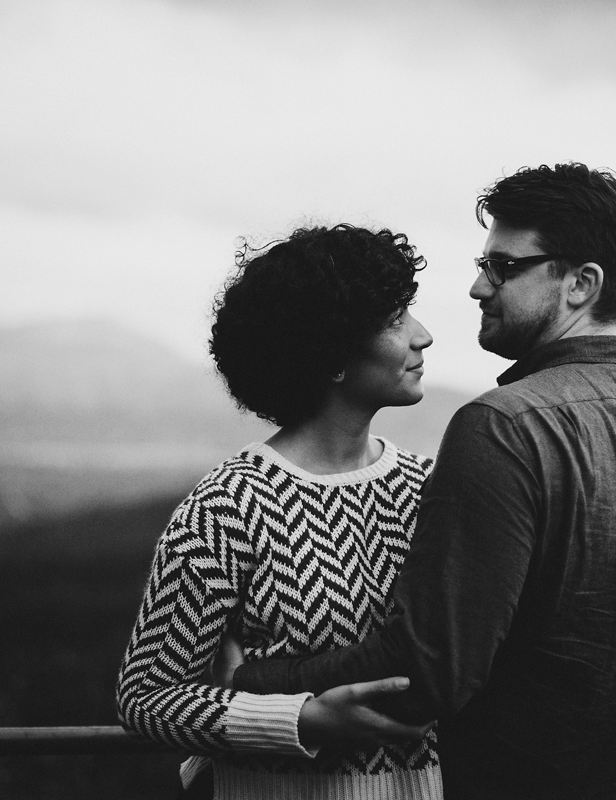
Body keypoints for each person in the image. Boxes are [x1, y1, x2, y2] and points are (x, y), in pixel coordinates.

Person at [233, 163, 616, 799]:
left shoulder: (501, 428)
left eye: (503, 267)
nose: (477, 286)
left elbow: (427, 670)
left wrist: (255, 682)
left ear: (582, 284)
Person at [116, 224, 443, 799]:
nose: (424, 336)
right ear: (333, 353)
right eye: (396, 319)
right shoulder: (227, 508)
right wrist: (301, 719)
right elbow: (147, 697)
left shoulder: (430, 487)